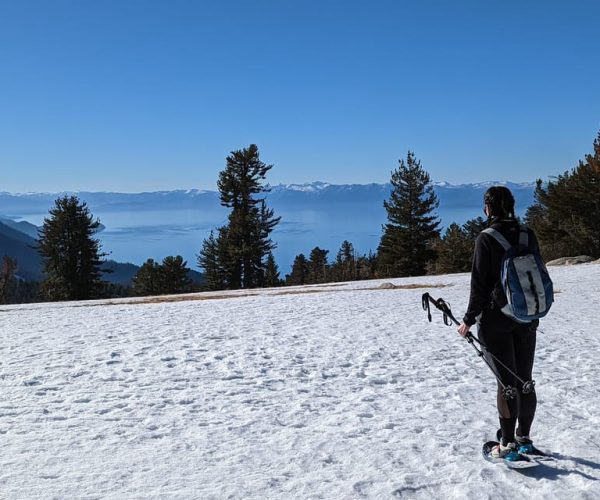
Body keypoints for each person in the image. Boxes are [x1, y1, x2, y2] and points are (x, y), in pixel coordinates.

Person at [457, 186, 540, 459]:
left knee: (507, 384)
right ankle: (524, 437)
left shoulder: (487, 238)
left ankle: (506, 445)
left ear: (488, 207)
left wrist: (468, 320)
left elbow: (479, 285)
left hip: (496, 320)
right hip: (527, 317)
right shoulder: (527, 234)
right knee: (524, 379)